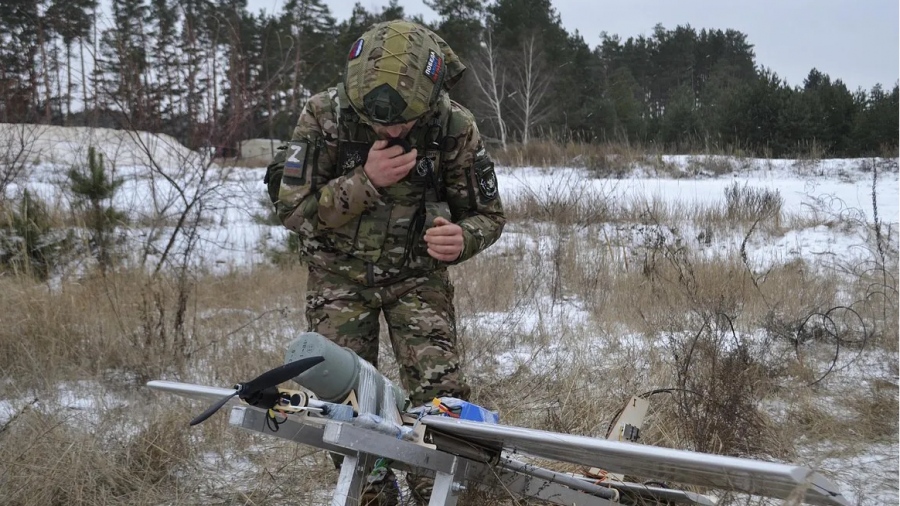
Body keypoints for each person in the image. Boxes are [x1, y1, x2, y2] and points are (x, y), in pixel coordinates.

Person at [263, 19, 506, 505]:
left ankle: (438, 493)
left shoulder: (454, 127)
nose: (392, 131)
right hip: (338, 277)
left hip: (417, 279)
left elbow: (489, 215)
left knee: (441, 401)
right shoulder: (324, 115)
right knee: (340, 400)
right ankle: (373, 495)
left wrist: (462, 239)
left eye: (404, 122)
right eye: (379, 123)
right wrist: (366, 180)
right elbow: (292, 210)